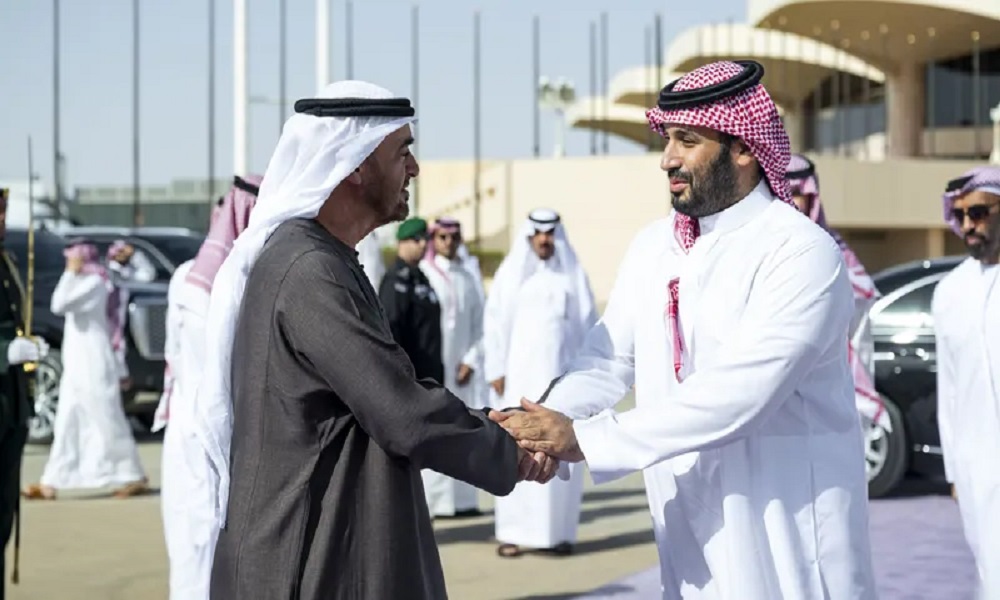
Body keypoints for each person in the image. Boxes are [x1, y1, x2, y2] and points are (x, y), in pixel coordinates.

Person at [493, 60, 877, 599]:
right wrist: (542, 423)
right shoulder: (655, 247)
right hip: (690, 528)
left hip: (787, 532)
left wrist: (585, 439)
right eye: (666, 139)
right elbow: (607, 360)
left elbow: (743, 392)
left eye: (687, 141)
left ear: (743, 148)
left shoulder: (800, 251)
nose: (667, 159)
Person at [192, 81, 552, 600]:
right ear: (357, 164)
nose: (414, 168)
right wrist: (507, 446)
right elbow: (400, 410)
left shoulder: (325, 257)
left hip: (328, 546)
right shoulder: (309, 269)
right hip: (303, 561)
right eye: (402, 151)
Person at [156, 175, 261, 600]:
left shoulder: (188, 276)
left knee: (197, 542)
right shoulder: (230, 282)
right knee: (198, 539)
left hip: (189, 428)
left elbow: (171, 351)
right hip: (211, 432)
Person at [484, 208, 598, 557]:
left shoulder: (571, 276)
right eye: (539, 234)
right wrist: (495, 369)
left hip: (562, 385)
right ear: (530, 236)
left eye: (550, 234)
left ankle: (556, 535)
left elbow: (588, 327)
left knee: (557, 451)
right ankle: (513, 533)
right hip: (519, 380)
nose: (545, 240)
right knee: (516, 446)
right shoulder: (512, 275)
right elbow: (495, 323)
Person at [22, 242, 147, 501]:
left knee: (105, 417)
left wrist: (70, 273)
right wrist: (70, 274)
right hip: (77, 362)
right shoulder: (82, 282)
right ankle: (51, 481)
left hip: (95, 361)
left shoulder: (95, 283)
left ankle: (131, 473)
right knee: (67, 419)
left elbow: (59, 304)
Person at [785, 155, 887, 446]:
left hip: (826, 404)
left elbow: (858, 337)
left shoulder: (833, 254)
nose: (790, 202)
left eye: (797, 193)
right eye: (782, 192)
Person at [933, 166, 1000, 599]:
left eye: (978, 212)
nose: (968, 225)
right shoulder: (950, 291)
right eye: (959, 216)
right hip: (978, 464)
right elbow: (950, 388)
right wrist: (954, 470)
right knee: (989, 567)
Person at [419, 217, 486, 518]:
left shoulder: (468, 277)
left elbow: (480, 325)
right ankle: (436, 504)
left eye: (454, 238)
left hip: (462, 372)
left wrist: (471, 359)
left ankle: (463, 502)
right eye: (443, 237)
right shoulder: (425, 274)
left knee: (463, 430)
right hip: (432, 369)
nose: (449, 243)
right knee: (435, 432)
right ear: (434, 240)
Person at [0, 187, 48, 597]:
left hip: (12, 404)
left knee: (3, 514)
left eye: (3, 212)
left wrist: (28, 345)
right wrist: (5, 351)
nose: (1, 220)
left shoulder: (7, 261)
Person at [378, 217, 445, 382]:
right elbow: (391, 329)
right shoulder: (396, 281)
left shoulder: (421, 277)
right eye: (416, 239)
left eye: (426, 239)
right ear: (401, 242)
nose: (423, 244)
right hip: (412, 377)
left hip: (430, 372)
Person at [105, 240, 156, 393]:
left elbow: (148, 274)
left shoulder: (129, 271)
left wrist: (135, 255)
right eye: (120, 252)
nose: (123, 255)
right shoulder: (109, 271)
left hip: (124, 321)